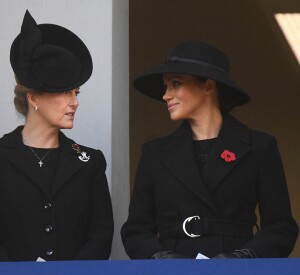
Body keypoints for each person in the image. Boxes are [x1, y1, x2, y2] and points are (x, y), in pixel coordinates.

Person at [121, 40, 298, 259]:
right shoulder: (154, 154)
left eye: (175, 83)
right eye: (166, 86)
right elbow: (136, 231)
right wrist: (162, 259)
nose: (166, 95)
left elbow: (281, 228)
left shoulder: (260, 148)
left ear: (207, 86)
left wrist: (243, 258)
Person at [0, 10, 114, 261]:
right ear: (33, 98)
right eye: (64, 93)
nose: (74, 103)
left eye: (76, 93)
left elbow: (100, 235)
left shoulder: (90, 162)